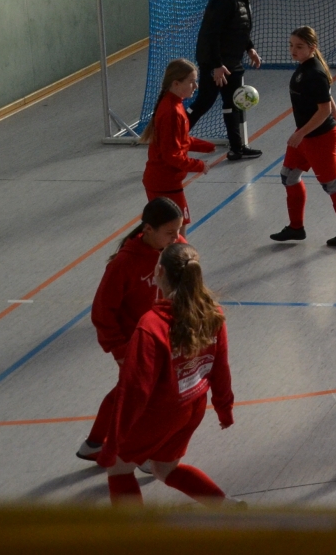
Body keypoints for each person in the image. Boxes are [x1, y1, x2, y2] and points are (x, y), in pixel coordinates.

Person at [101, 243, 235, 505]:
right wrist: (224, 408)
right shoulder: (212, 313)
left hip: (159, 413)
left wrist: (114, 441)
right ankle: (227, 507)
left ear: (159, 271)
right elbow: (221, 366)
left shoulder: (152, 325)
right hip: (193, 406)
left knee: (118, 467)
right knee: (165, 469)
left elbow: (135, 388)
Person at [77, 197, 185, 464]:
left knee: (129, 392)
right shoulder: (123, 264)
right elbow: (102, 311)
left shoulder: (176, 250)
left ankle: (94, 444)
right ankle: (147, 454)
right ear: (148, 229)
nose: (176, 238)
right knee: (150, 397)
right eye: (170, 232)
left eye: (178, 231)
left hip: (165, 338)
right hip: (136, 343)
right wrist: (119, 349)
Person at [268, 26, 336, 247]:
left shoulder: (314, 73)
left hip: (319, 138)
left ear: (312, 47)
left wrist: (303, 132)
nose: (293, 50)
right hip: (306, 135)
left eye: (299, 46)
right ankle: (296, 228)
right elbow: (328, 98)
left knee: (332, 185)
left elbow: (323, 109)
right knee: (289, 176)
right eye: (291, 45)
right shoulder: (305, 68)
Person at [190, 0, 267, 160]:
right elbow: (212, 33)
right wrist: (216, 65)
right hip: (216, 62)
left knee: (233, 103)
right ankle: (170, 142)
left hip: (232, 61)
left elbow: (239, 27)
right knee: (204, 102)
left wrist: (250, 49)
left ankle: (237, 148)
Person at [140, 59, 211, 225]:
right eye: (191, 82)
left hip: (164, 181)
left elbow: (180, 140)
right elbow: (171, 155)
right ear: (176, 84)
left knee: (171, 231)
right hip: (165, 183)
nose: (196, 86)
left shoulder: (174, 105)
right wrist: (199, 165)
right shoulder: (172, 112)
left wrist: (207, 147)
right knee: (175, 232)